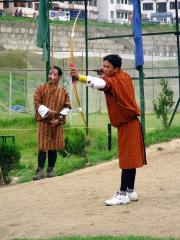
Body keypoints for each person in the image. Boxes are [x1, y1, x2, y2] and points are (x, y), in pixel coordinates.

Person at [70, 54, 146, 206]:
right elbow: (104, 78)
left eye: (107, 67)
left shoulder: (113, 81)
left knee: (126, 160)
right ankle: (130, 191)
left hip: (127, 124)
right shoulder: (124, 75)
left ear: (116, 68)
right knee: (130, 159)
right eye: (103, 66)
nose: (104, 69)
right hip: (132, 123)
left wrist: (79, 78)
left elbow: (101, 83)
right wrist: (103, 71)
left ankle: (122, 194)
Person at [33, 66, 71, 180]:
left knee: (53, 148)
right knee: (42, 147)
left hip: (57, 124)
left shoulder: (63, 91)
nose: (51, 76)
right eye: (50, 73)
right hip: (44, 123)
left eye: (54, 74)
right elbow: (36, 101)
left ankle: (50, 170)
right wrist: (47, 111)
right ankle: (40, 171)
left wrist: (58, 119)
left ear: (59, 77)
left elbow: (67, 106)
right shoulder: (41, 88)